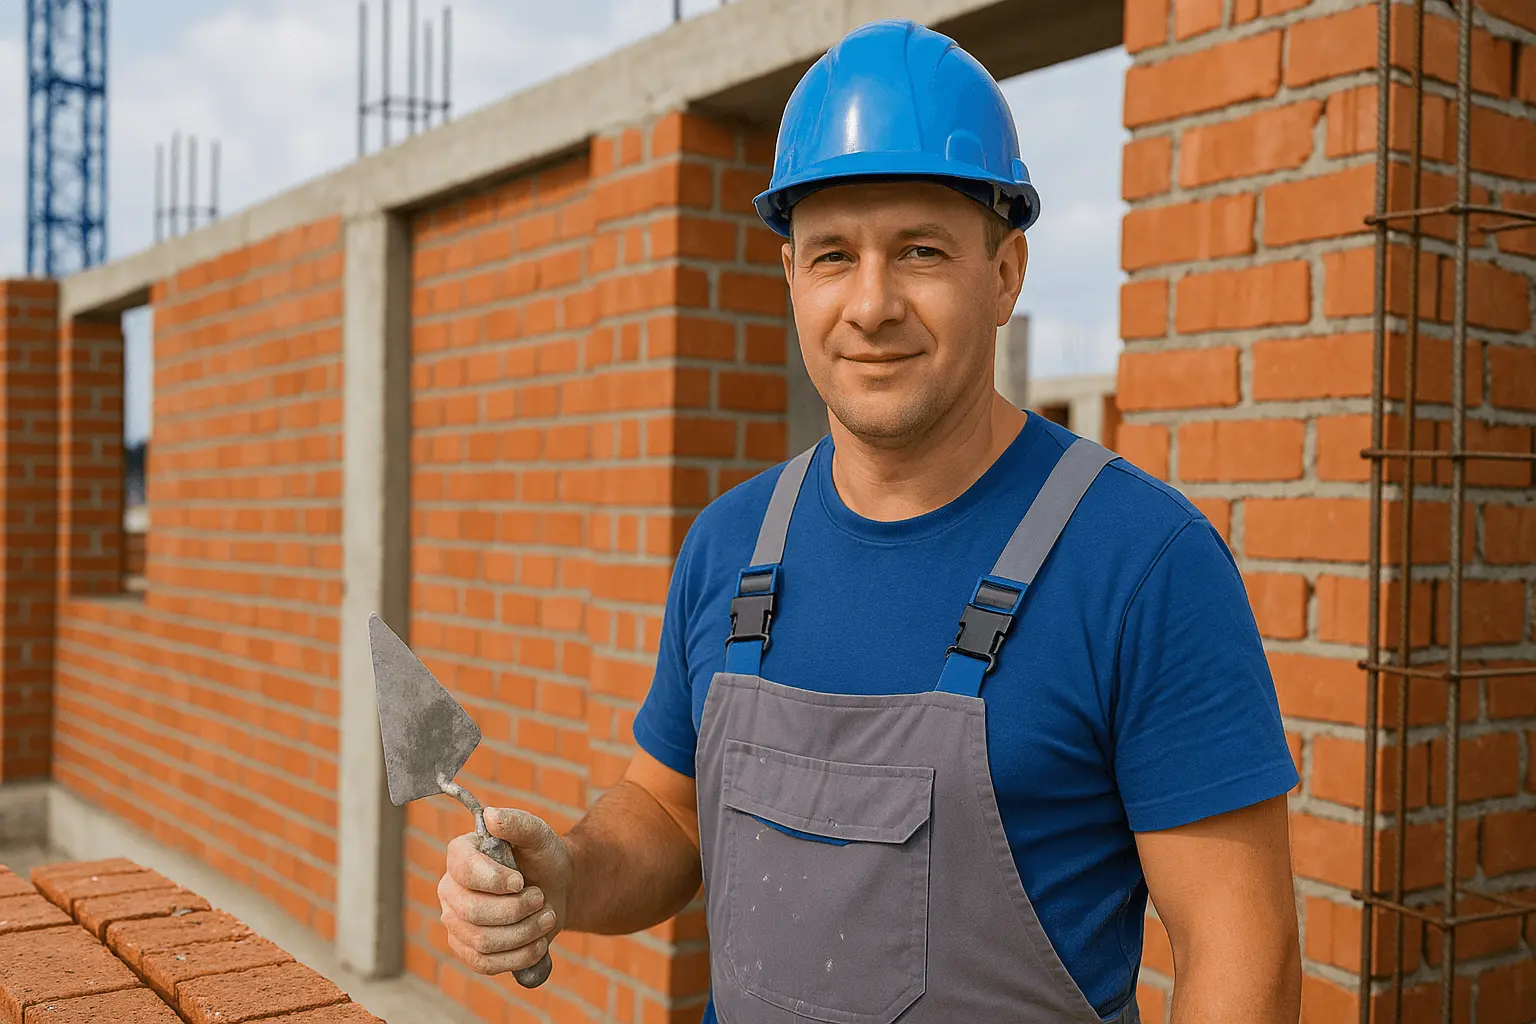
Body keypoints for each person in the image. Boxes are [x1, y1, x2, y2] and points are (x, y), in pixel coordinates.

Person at [437, 18, 1302, 1023]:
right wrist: (572, 871)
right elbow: (671, 811)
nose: (872, 302)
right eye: (834, 255)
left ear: (1006, 275)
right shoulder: (731, 542)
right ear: (794, 281)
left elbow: (1244, 957)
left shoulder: (1143, 564)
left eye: (921, 251)